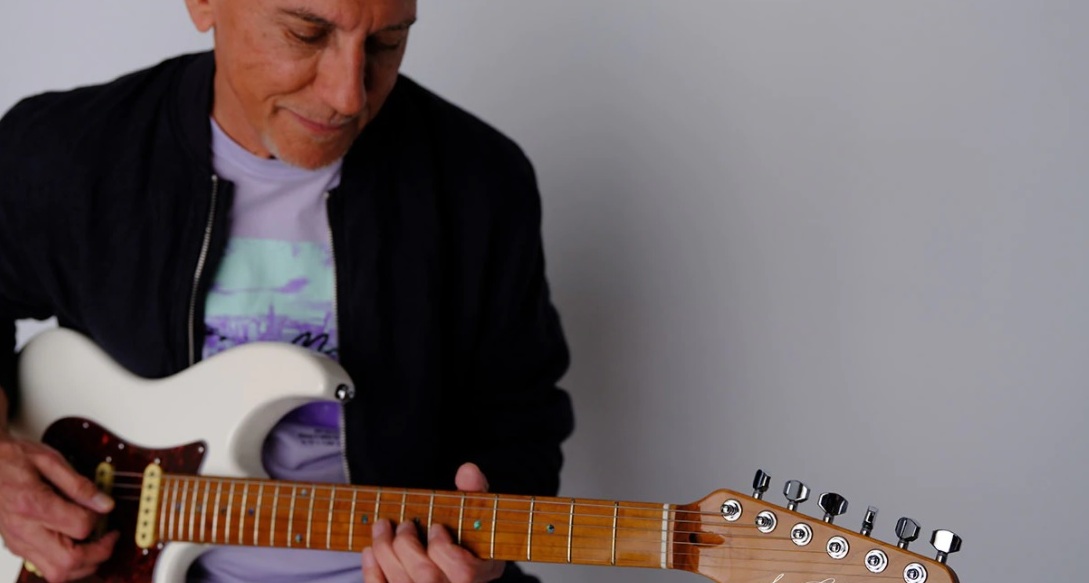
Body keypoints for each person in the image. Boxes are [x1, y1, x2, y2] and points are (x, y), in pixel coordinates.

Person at [0, 0, 574, 581]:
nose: (348, 96)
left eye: (386, 43)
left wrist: (480, 554)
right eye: (306, 34)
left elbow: (521, 416)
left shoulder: (481, 178)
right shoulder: (64, 150)